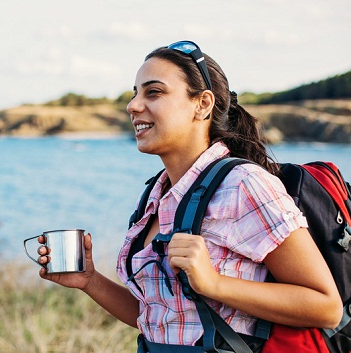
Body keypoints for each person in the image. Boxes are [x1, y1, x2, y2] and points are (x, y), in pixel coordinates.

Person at [35, 40, 342, 351]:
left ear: (203, 104)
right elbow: (159, 318)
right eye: (135, 93)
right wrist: (90, 280)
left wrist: (214, 283)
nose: (133, 105)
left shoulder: (243, 184)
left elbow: (326, 308)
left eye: (153, 92)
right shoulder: (157, 195)